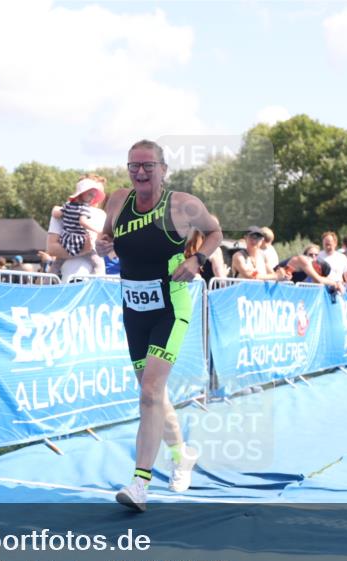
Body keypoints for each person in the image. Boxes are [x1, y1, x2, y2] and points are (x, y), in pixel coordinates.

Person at [95, 139, 222, 511]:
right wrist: (104, 245)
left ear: (163, 169)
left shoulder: (183, 204)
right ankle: (182, 454)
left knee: (150, 392)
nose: (139, 171)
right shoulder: (118, 200)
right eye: (133, 165)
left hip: (172, 304)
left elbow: (215, 232)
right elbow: (108, 236)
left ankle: (139, 484)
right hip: (134, 307)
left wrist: (197, 259)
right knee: (154, 395)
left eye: (148, 165)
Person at [46, 174, 107, 280]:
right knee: (55, 267)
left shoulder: (102, 215)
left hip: (92, 284)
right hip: (70, 279)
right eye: (92, 192)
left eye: (98, 192)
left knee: (55, 266)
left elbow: (106, 249)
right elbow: (52, 249)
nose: (95, 196)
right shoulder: (68, 209)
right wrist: (84, 250)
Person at [275, 244, 342, 291]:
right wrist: (335, 283)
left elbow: (326, 279)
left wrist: (337, 283)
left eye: (316, 255)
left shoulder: (321, 266)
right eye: (310, 254)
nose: (313, 257)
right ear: (305, 255)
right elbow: (319, 280)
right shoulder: (302, 262)